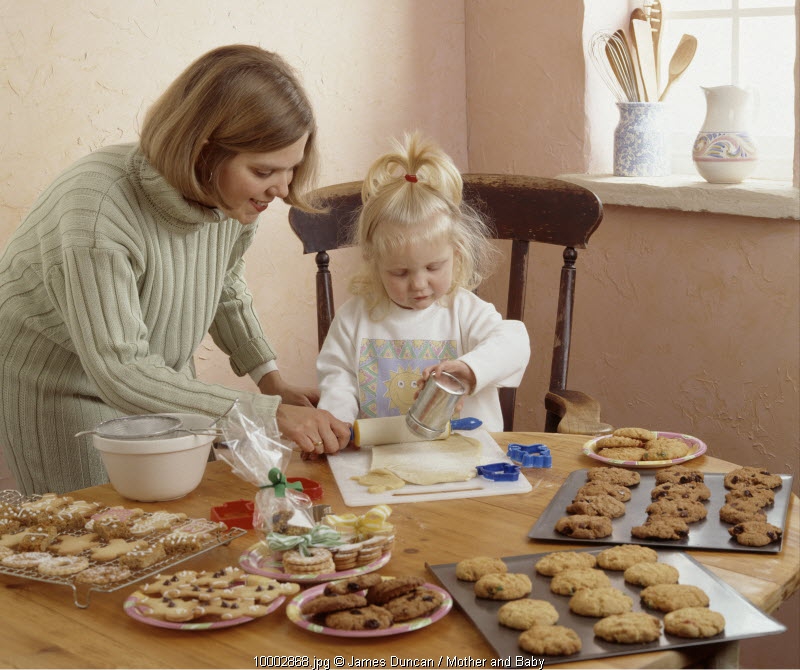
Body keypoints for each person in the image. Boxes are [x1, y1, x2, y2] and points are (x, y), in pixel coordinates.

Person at [0, 44, 351, 494]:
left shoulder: (230, 200)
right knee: (100, 540)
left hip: (159, 379)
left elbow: (225, 284)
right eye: (265, 171)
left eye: (292, 169)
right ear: (204, 152)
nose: (282, 189)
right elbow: (122, 370)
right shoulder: (96, 209)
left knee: (190, 524)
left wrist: (271, 381)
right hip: (62, 383)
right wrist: (269, 414)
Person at [316, 131, 530, 432]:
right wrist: (336, 425)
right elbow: (337, 380)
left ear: (456, 253)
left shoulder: (464, 311)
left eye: (433, 267)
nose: (418, 284)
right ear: (373, 261)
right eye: (400, 273)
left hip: (468, 458)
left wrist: (471, 370)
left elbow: (515, 343)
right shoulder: (354, 318)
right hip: (383, 462)